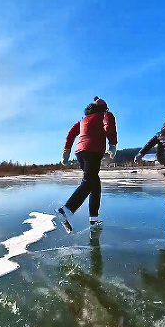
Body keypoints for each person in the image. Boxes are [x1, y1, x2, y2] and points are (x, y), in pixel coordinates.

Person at [55, 96, 118, 233]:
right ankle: (67, 210)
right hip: (93, 151)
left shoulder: (83, 120)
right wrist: (112, 144)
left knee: (95, 183)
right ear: (104, 108)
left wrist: (66, 151)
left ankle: (94, 218)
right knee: (89, 181)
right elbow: (109, 127)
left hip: (80, 152)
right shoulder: (105, 115)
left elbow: (71, 133)